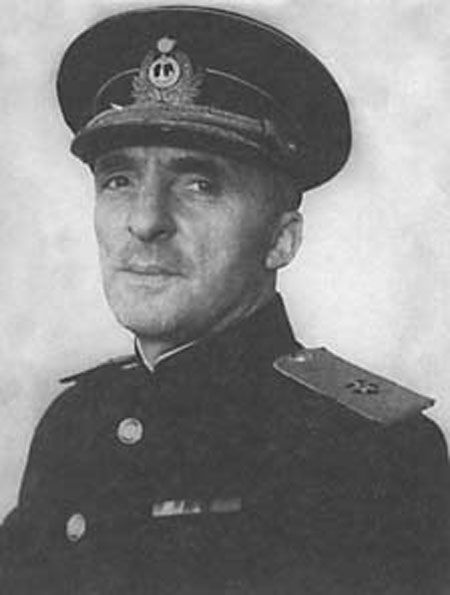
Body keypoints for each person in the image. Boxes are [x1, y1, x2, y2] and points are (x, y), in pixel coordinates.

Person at [0, 5, 448, 594]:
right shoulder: (76, 425)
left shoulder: (367, 454)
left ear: (280, 239)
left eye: (200, 184)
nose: (145, 221)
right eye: (118, 180)